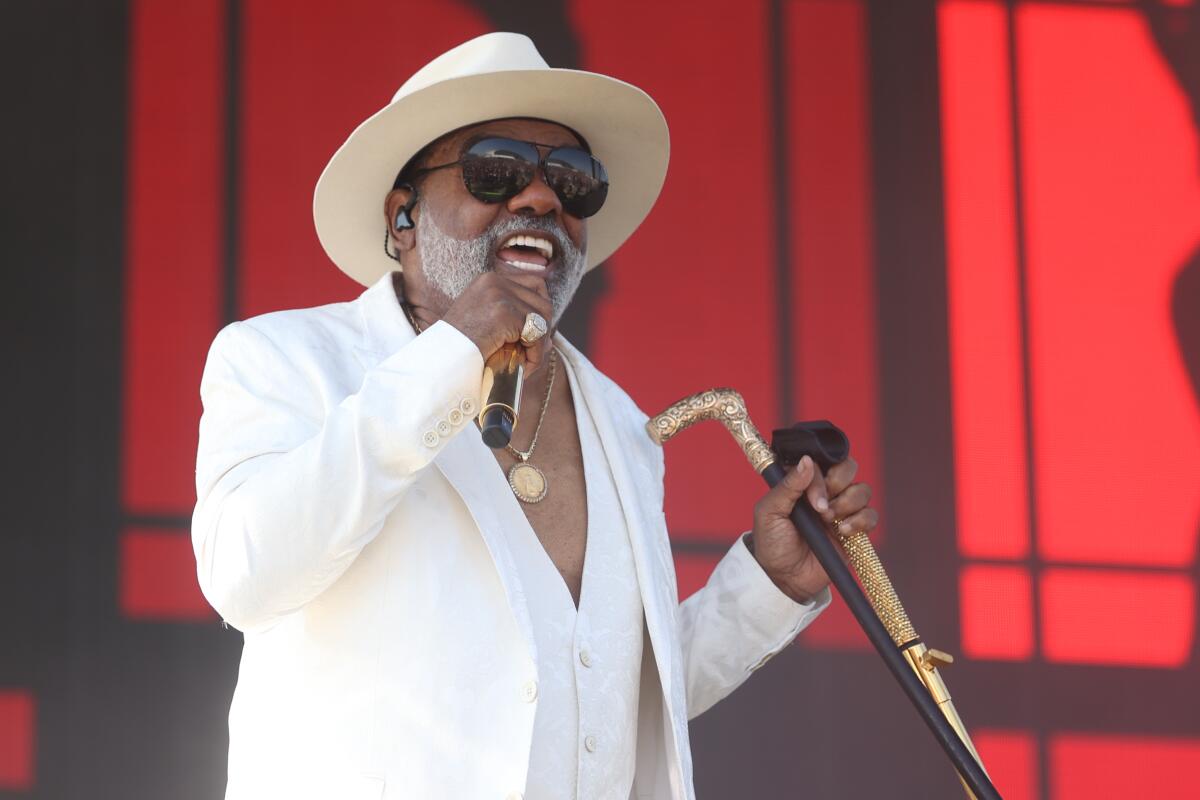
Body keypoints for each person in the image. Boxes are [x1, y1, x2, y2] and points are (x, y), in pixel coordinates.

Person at [191, 32, 878, 800]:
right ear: (404, 216)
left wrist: (770, 583)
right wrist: (452, 356)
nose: (541, 198)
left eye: (572, 181)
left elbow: (602, 707)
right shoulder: (286, 358)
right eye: (496, 170)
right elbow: (244, 576)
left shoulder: (619, 422)